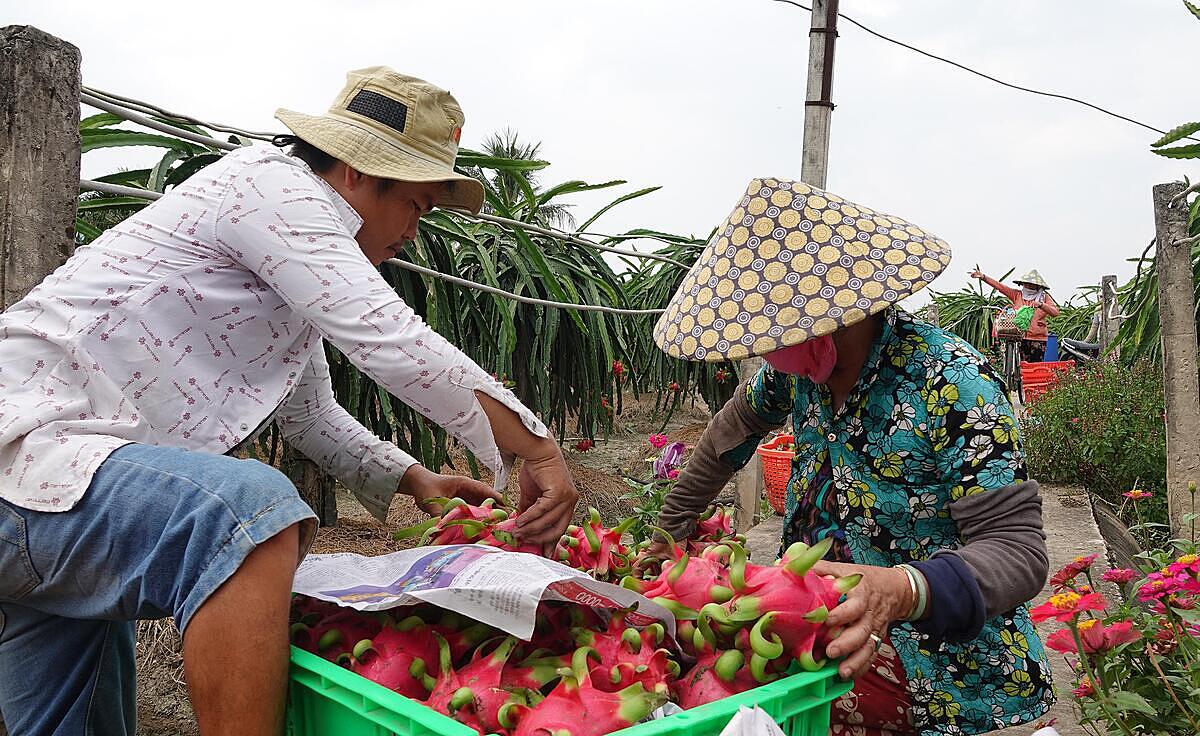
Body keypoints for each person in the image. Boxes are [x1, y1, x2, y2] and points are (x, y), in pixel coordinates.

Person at [0, 67, 578, 736]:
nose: (415, 232)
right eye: (417, 205)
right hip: (28, 455)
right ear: (360, 170)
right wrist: (533, 443)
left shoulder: (289, 258)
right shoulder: (270, 186)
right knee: (248, 514)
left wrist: (416, 480)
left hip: (58, 493)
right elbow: (388, 337)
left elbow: (309, 415)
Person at [643, 179, 1054, 734]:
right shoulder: (794, 378)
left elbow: (1019, 551)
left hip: (943, 664)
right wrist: (668, 530)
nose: (767, 349)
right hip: (821, 627)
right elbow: (727, 436)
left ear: (834, 313)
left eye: (777, 331)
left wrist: (901, 589)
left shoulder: (952, 382)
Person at [971, 268, 1060, 362]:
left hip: (1037, 338)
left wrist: (1042, 305)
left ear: (1038, 286)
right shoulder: (1017, 295)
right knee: (1018, 364)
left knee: (1034, 365)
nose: (1028, 286)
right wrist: (984, 277)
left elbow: (1055, 312)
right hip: (1017, 335)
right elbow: (1001, 287)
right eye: (1026, 284)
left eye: (1032, 285)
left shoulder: (1044, 297)